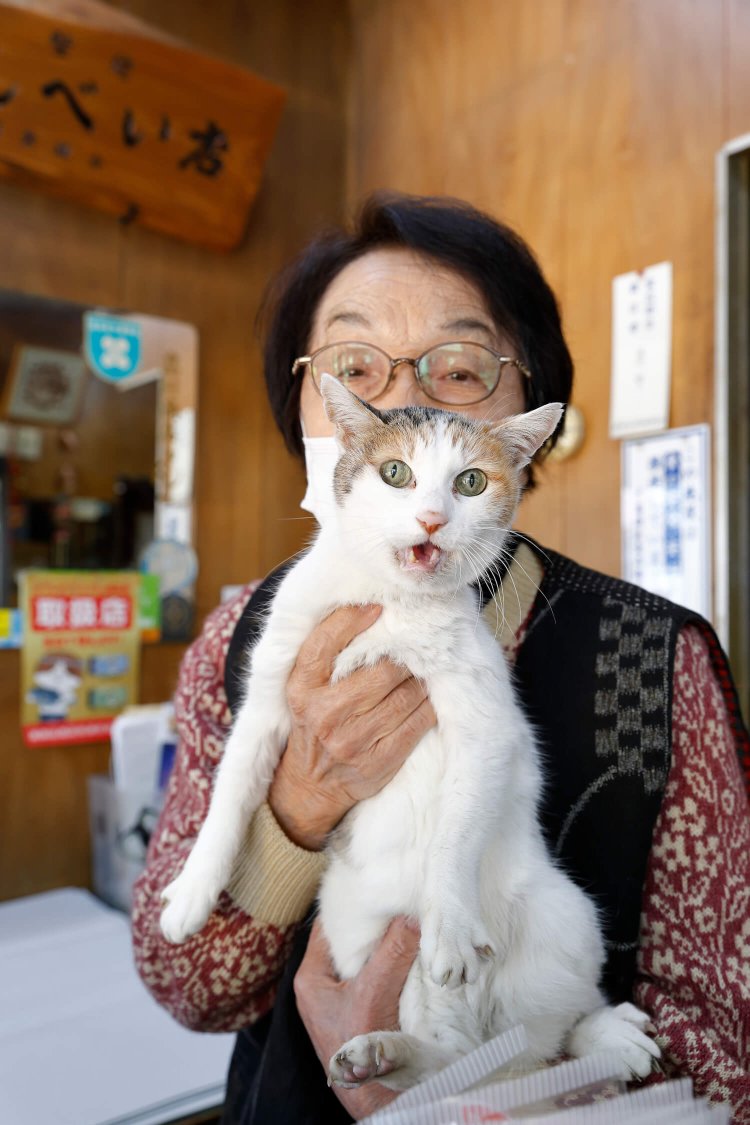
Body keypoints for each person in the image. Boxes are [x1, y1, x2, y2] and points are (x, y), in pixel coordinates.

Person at [131, 194, 750, 1124]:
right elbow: (187, 985)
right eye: (352, 364)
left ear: (525, 427)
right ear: (306, 407)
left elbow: (724, 1043)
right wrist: (297, 808)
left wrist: (516, 1100)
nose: (402, 400)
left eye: (458, 367)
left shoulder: (659, 658)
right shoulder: (235, 636)